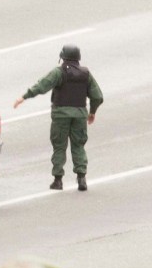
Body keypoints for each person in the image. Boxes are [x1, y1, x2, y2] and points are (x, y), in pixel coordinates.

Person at [13, 44, 103, 191]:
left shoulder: (59, 72)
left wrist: (24, 96)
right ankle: (81, 179)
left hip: (60, 115)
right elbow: (97, 96)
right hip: (80, 115)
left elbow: (42, 85)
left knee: (59, 146)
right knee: (78, 146)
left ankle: (58, 180)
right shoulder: (86, 74)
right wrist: (92, 112)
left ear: (62, 57)